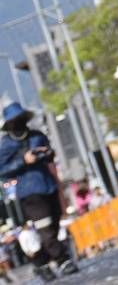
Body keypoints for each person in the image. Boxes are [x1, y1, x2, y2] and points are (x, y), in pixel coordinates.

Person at [1, 103, 76, 278]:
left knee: (53, 227)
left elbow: (50, 156)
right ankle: (63, 260)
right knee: (45, 228)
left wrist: (47, 153)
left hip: (48, 186)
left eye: (20, 119)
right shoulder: (6, 145)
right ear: (9, 124)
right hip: (29, 193)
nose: (18, 123)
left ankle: (40, 263)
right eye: (14, 120)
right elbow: (2, 170)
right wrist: (23, 161)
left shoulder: (37, 136)